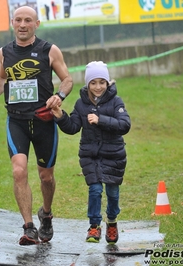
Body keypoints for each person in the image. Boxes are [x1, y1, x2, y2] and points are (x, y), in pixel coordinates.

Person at [0, 5, 73, 245]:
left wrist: (60, 97)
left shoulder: (49, 50)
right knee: (19, 170)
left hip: (44, 121)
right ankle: (28, 227)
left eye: (28, 21)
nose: (22, 25)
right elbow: (2, 76)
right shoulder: (4, 52)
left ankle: (46, 213)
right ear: (12, 22)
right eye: (18, 20)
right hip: (17, 120)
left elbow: (67, 80)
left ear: (36, 24)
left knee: (46, 177)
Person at [51, 61, 131, 244]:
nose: (98, 87)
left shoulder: (116, 102)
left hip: (114, 155)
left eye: (102, 82)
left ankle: (111, 222)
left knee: (112, 192)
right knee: (95, 190)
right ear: (88, 84)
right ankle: (94, 226)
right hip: (90, 155)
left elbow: (125, 125)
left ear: (107, 83)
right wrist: (60, 116)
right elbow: (72, 127)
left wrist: (101, 119)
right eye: (93, 83)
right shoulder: (81, 104)